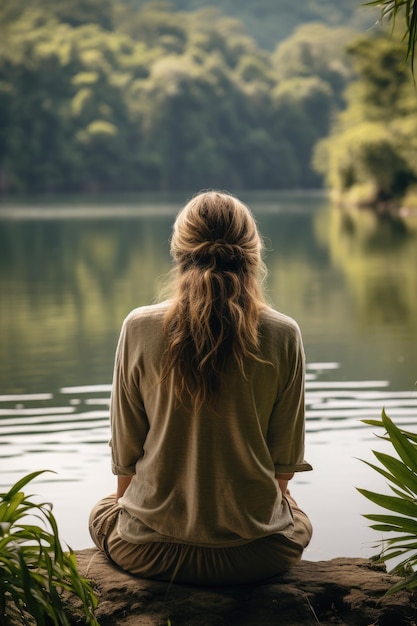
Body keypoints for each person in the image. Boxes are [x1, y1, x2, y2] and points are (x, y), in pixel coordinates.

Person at [89, 190, 313, 585]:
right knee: (297, 516)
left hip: (151, 552)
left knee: (102, 511)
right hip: (258, 554)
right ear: (253, 252)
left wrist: (139, 509)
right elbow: (283, 466)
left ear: (179, 251)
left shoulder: (138, 328)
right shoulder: (284, 334)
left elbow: (125, 458)